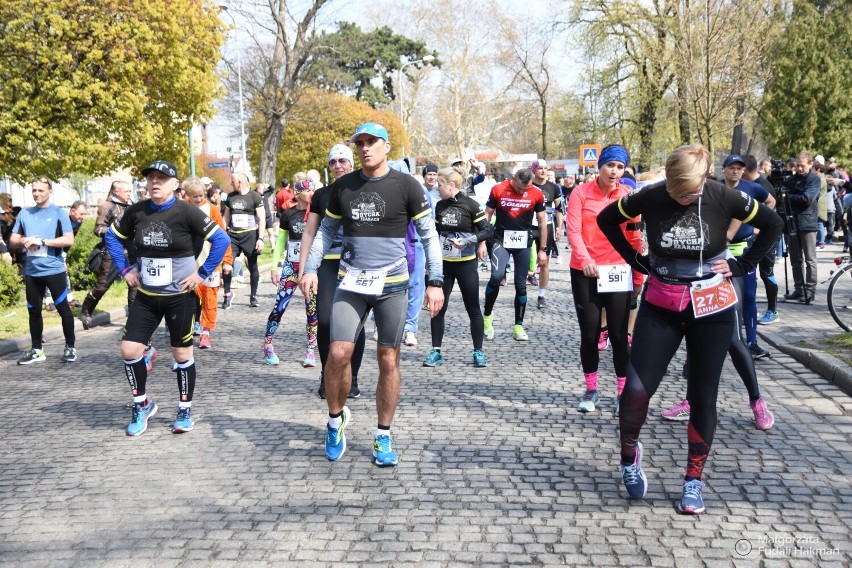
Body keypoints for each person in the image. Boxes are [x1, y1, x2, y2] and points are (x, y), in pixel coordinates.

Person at [597, 144, 782, 515]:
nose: (685, 198)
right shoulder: (650, 195)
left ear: (705, 177)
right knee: (634, 391)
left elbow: (773, 224)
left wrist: (744, 265)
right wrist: (636, 259)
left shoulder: (724, 195)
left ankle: (693, 480)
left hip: (711, 308)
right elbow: (606, 220)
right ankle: (629, 457)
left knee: (703, 396)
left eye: (692, 191)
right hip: (661, 306)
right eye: (679, 192)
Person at [300, 122, 444, 467]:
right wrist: (308, 268)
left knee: (388, 360)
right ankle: (335, 420)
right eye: (360, 143)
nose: (365, 148)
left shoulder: (407, 186)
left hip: (393, 285)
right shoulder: (344, 187)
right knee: (337, 353)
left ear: (386, 146)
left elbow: (429, 235)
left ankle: (383, 435)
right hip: (352, 282)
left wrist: (435, 280)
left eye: (372, 142)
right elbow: (323, 233)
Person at [106, 160, 230, 436]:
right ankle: (142, 404)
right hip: (147, 297)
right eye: (151, 177)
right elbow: (112, 238)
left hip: (180, 297)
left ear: (175, 185)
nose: (155, 182)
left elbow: (222, 240)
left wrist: (201, 274)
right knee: (130, 350)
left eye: (162, 178)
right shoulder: (136, 212)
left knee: (182, 353)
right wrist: (125, 269)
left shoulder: (187, 212)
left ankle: (184, 409)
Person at [566, 145, 643, 414]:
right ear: (600, 166)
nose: (614, 172)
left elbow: (634, 238)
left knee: (621, 336)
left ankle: (623, 392)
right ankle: (591, 389)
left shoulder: (628, 197)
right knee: (590, 335)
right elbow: (573, 230)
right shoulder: (581, 192)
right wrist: (585, 259)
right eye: (610, 165)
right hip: (585, 271)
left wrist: (638, 275)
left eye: (620, 167)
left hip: (617, 272)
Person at [299, 143, 366, 399]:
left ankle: (354, 377)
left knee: (355, 323)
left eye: (343, 161)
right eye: (333, 161)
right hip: (327, 262)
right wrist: (305, 270)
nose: (338, 165)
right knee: (325, 320)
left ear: (351, 163)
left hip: (357, 263)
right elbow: (309, 232)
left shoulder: (362, 188)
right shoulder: (322, 194)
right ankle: (328, 376)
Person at [423, 167, 492, 368]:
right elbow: (435, 233)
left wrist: (470, 240)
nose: (437, 187)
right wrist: (430, 261)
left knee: (473, 308)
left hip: (466, 264)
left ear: (451, 185)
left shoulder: (471, 205)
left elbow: (487, 230)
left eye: (441, 185)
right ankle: (436, 351)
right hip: (444, 265)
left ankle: (478, 351)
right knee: (438, 309)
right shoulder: (440, 206)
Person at [11, 177, 77, 364]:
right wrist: (24, 240)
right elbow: (13, 240)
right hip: (32, 271)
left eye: (41, 190)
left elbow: (68, 239)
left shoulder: (59, 213)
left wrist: (42, 241)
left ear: (50, 191)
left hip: (54, 270)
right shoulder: (25, 213)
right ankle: (37, 350)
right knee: (33, 311)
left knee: (63, 308)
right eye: (34, 190)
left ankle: (70, 347)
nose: (37, 194)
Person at [482, 168, 547, 341]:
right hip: (500, 240)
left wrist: (543, 249)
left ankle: (518, 325)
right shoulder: (498, 189)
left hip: (523, 243)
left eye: (525, 189)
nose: (521, 192)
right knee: (496, 277)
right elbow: (487, 214)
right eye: (519, 188)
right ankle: (487, 317)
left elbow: (542, 222)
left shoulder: (536, 193)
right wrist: (481, 241)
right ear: (513, 179)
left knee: (521, 285)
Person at [262, 178, 318, 367]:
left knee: (311, 309)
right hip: (291, 267)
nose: (311, 191)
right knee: (280, 307)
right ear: (297, 192)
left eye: (313, 188)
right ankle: (268, 343)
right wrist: (273, 266)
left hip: (310, 269)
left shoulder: (317, 213)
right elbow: (280, 243)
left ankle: (311, 350)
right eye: (307, 189)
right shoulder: (288, 214)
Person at [182, 178, 233, 350]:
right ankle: (187, 329)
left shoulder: (211, 209)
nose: (198, 199)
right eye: (194, 196)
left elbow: (222, 237)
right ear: (186, 195)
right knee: (188, 298)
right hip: (188, 262)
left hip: (209, 262)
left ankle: (206, 333)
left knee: (210, 298)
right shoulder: (181, 208)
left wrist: (227, 261)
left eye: (201, 195)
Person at [81, 180, 136, 328]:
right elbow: (98, 229)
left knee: (134, 284)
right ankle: (86, 310)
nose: (129, 194)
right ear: (116, 191)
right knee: (103, 285)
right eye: (127, 191)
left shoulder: (131, 206)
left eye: (130, 191)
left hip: (131, 250)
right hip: (112, 251)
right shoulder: (107, 206)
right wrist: (116, 232)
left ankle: (133, 318)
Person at [742, 155, 782, 325]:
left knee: (767, 273)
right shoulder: (747, 185)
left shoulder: (763, 186)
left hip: (767, 237)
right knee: (749, 272)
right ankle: (749, 308)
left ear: (745, 170)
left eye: (739, 169)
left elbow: (771, 204)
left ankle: (772, 310)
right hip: (749, 237)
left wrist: (759, 227)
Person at [222, 172, 267, 308]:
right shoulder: (230, 197)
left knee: (253, 266)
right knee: (226, 267)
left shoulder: (255, 196)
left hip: (250, 236)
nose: (231, 183)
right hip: (233, 237)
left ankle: (253, 296)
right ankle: (227, 294)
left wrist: (260, 238)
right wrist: (222, 234)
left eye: (233, 181)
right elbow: (226, 217)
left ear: (240, 182)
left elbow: (261, 218)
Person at [782, 151, 820, 303]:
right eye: (797, 165)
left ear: (810, 164)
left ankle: (810, 290)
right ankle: (799, 288)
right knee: (795, 258)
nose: (799, 168)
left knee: (810, 259)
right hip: (792, 221)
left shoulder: (814, 179)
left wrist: (789, 197)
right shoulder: (791, 179)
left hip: (808, 223)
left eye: (802, 166)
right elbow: (782, 196)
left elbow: (807, 198)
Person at [530, 160, 564, 309]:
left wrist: (559, 227)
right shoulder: (528, 185)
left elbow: (559, 209)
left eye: (545, 168)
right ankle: (521, 291)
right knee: (524, 260)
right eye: (540, 168)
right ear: (534, 170)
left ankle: (541, 295)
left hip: (547, 227)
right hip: (528, 226)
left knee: (544, 262)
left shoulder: (553, 188)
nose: (543, 171)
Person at [44, 200, 87, 311]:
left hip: (61, 246)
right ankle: (48, 300)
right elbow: (52, 237)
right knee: (50, 270)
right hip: (48, 245)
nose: (83, 217)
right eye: (81, 214)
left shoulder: (78, 221)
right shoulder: (60, 219)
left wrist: (63, 255)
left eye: (85, 214)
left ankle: (69, 297)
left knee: (63, 270)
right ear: (72, 211)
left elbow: (69, 240)